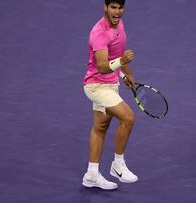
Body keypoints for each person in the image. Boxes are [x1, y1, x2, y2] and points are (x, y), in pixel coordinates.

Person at [81, 0, 137, 190]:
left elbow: (116, 54)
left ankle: (91, 175)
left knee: (100, 126)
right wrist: (121, 61)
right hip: (97, 86)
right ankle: (117, 165)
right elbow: (103, 67)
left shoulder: (119, 23)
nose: (117, 12)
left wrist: (125, 74)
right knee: (128, 118)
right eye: (113, 7)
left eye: (120, 7)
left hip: (111, 84)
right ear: (105, 7)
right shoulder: (99, 34)